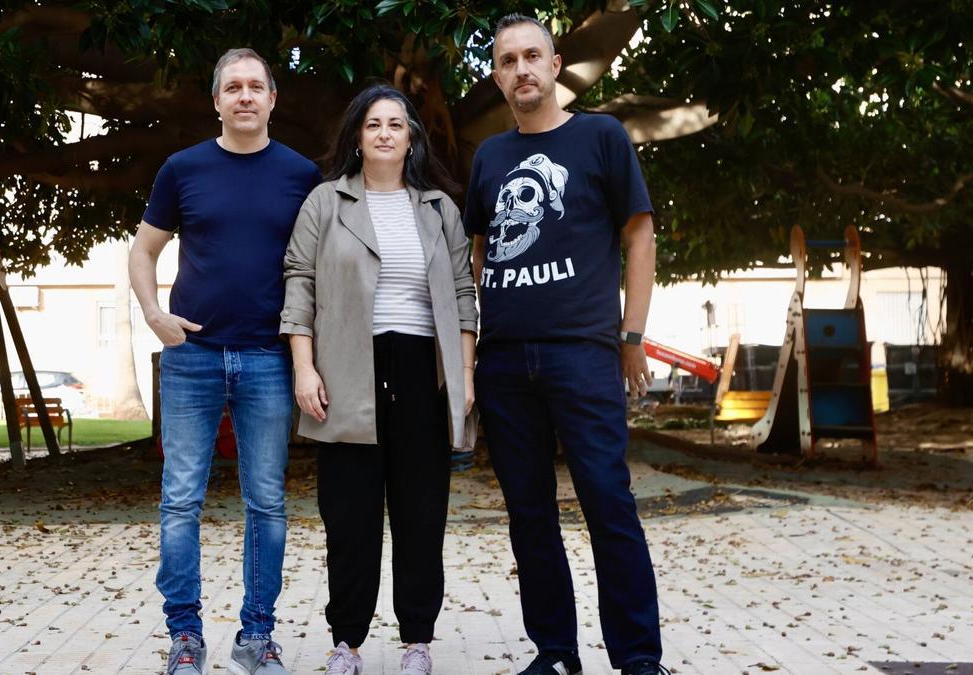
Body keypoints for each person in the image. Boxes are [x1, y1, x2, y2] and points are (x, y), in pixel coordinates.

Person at [463, 14, 667, 675]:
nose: (520, 69)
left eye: (532, 56)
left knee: (608, 500)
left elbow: (639, 235)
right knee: (529, 513)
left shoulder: (601, 137)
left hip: (582, 352)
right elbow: (476, 252)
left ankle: (637, 656)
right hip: (503, 360)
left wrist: (630, 335)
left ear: (554, 66)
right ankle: (556, 653)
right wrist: (472, 353)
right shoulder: (489, 157)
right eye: (506, 61)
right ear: (496, 76)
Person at [129, 48, 320, 675]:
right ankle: (184, 637)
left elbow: (316, 269)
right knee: (180, 500)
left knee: (266, 503)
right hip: (193, 358)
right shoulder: (183, 169)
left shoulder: (301, 174)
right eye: (231, 87)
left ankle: (256, 637)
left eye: (254, 87)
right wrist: (155, 315)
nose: (244, 96)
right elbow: (144, 250)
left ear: (271, 99)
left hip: (268, 358)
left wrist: (305, 356)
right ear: (216, 101)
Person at [280, 84, 478, 675]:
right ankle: (347, 643)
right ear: (357, 138)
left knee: (422, 516)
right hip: (347, 372)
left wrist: (465, 375)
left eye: (396, 123)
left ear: (411, 136)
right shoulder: (325, 202)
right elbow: (299, 282)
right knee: (350, 519)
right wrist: (304, 364)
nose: (386, 133)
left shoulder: (440, 208)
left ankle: (418, 639)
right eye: (373, 125)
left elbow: (465, 296)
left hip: (423, 373)